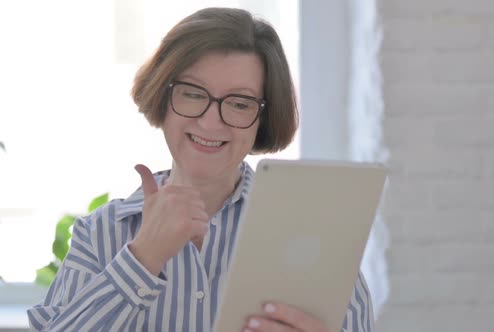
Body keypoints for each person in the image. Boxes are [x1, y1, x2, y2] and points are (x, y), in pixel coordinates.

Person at [27, 7, 373, 332]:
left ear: (262, 119)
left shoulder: (315, 232)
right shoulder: (101, 232)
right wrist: (142, 258)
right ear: (163, 98)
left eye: (239, 103)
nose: (210, 121)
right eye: (193, 94)